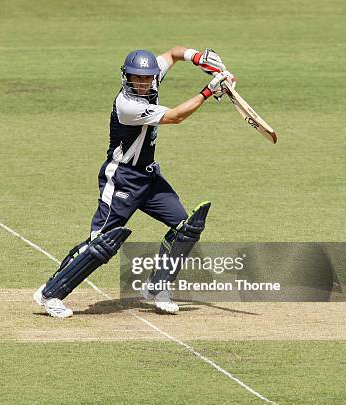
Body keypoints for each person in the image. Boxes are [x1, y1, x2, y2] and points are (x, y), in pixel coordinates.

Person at [34, 47, 234, 318]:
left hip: (149, 178)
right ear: (126, 77)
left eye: (146, 78)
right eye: (135, 78)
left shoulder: (151, 82)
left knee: (185, 228)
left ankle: (157, 288)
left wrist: (199, 58)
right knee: (102, 243)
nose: (141, 83)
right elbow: (175, 117)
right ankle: (51, 293)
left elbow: (174, 53)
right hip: (121, 179)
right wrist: (209, 91)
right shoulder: (128, 105)